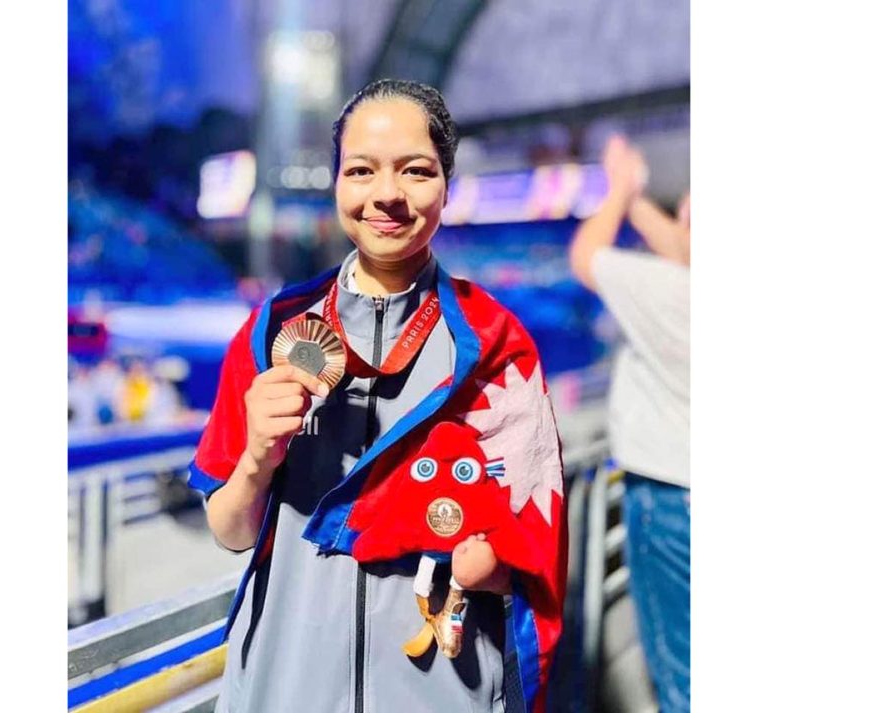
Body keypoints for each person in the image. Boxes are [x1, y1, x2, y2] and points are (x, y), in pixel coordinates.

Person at [188, 79, 568, 713]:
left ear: (446, 185)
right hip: (285, 690)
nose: (386, 194)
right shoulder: (272, 332)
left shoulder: (495, 346)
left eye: (415, 170)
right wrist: (256, 459)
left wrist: (488, 563)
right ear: (338, 183)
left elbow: (533, 560)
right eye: (361, 170)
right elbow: (230, 531)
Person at [568, 135, 690, 712]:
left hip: (670, 504)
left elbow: (586, 255)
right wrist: (638, 193)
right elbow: (685, 251)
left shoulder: (673, 292)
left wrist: (617, 191)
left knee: (684, 676)